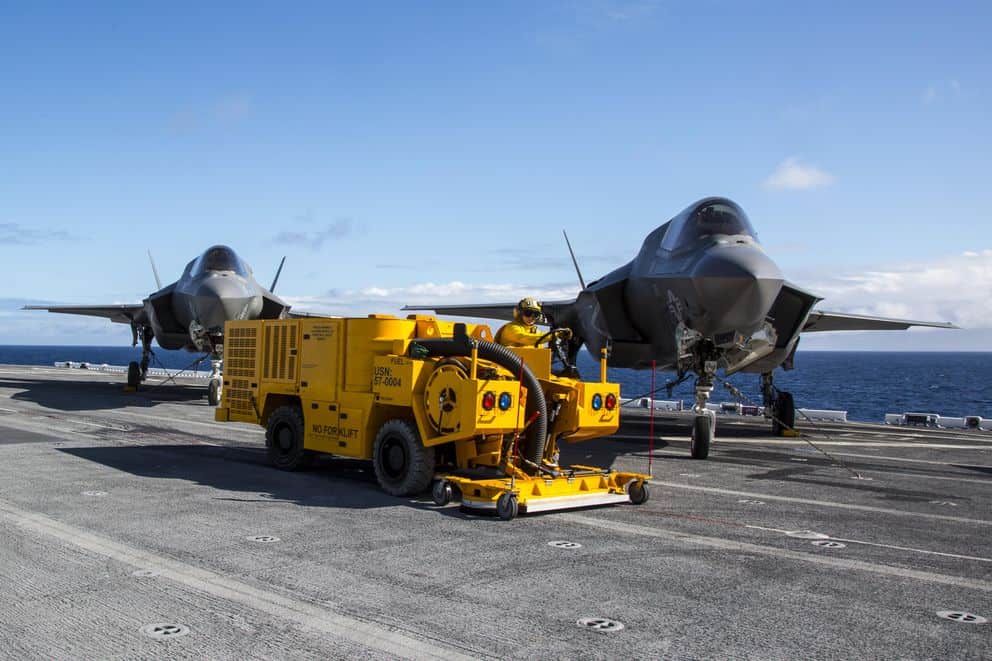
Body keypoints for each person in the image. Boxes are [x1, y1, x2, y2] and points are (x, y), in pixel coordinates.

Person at [495, 298, 571, 347]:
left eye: (535, 314)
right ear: (520, 313)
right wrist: (556, 334)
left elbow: (538, 349)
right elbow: (527, 338)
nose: (531, 317)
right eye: (528, 313)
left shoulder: (535, 332)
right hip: (509, 368)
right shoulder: (511, 328)